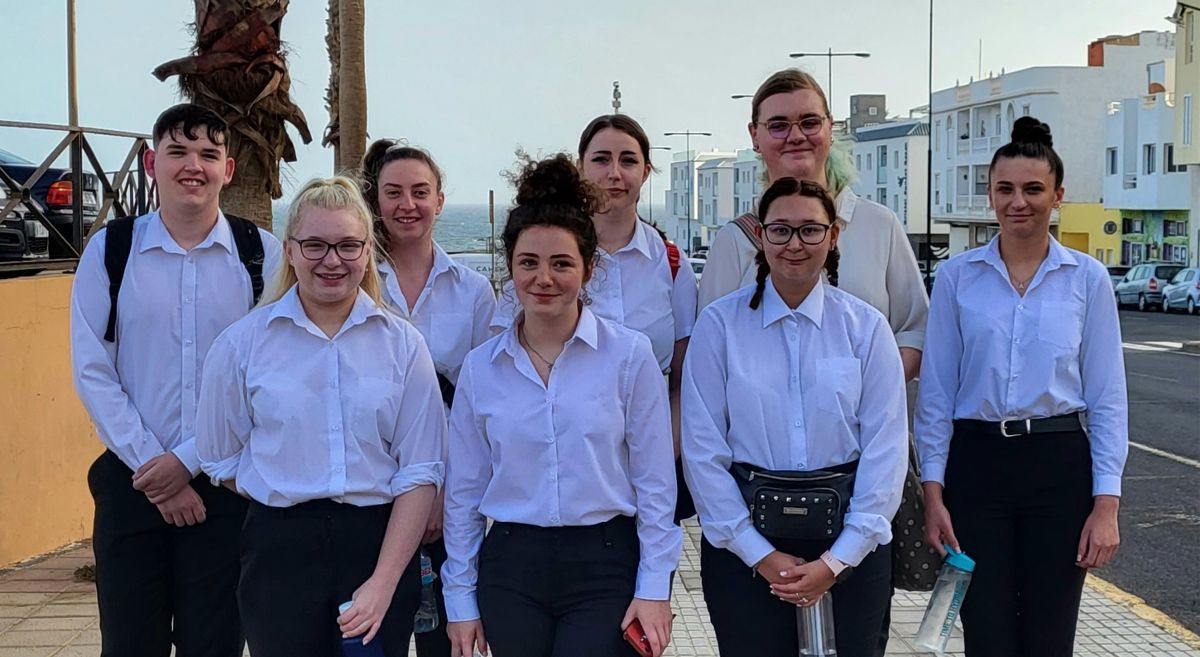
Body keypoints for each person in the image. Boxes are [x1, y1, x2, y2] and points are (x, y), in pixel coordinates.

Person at [196, 176, 446, 657]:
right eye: (315, 245)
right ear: (290, 250)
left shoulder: (403, 345)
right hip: (278, 556)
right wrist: (284, 485)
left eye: (348, 245)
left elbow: (420, 470)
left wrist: (383, 583)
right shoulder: (242, 344)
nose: (332, 260)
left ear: (367, 251)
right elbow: (219, 458)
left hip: (378, 547)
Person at [443, 154, 681, 657]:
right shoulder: (481, 369)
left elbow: (656, 486)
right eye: (528, 262)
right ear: (510, 267)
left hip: (606, 564)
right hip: (512, 569)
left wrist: (655, 587)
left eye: (562, 263)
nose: (544, 278)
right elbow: (463, 494)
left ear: (589, 269)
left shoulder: (629, 356)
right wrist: (460, 600)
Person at [70, 103, 282, 657]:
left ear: (227, 170)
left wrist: (188, 462)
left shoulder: (261, 255)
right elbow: (93, 370)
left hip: (226, 489)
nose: (194, 166)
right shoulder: (110, 250)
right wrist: (155, 470)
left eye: (209, 154)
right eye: (178, 151)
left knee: (214, 645)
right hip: (130, 482)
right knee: (128, 644)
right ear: (151, 163)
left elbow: (268, 375)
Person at [915, 117, 1127, 657]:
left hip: (1058, 467)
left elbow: (1107, 398)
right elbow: (936, 395)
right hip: (976, 468)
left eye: (1033, 189)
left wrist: (1106, 505)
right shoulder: (957, 277)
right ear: (990, 194)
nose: (1018, 202)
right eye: (1005, 189)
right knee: (985, 632)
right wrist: (933, 494)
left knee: (1049, 635)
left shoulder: (1087, 279)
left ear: (1058, 195)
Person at [681, 177, 907, 657]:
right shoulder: (720, 326)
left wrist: (837, 561)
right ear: (761, 236)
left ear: (833, 236)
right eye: (780, 230)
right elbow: (703, 452)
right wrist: (758, 554)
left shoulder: (866, 328)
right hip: (745, 546)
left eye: (810, 230)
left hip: (850, 540)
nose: (795, 244)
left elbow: (886, 451)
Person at [697, 69, 926, 383]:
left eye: (809, 122)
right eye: (778, 125)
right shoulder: (734, 240)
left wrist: (869, 392)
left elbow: (915, 330)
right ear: (755, 136)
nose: (795, 136)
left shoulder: (879, 225)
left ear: (830, 128)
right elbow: (709, 349)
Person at [361, 140, 496, 657]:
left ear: (439, 200)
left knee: (446, 640)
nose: (407, 204)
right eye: (393, 192)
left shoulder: (473, 292)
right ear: (375, 201)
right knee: (377, 638)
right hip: (370, 491)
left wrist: (445, 490)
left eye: (420, 192)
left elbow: (480, 408)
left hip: (450, 495)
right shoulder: (355, 284)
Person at [491, 114, 697, 448]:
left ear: (645, 172)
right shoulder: (544, 261)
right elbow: (502, 370)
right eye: (601, 159)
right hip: (562, 453)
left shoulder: (671, 263)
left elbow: (684, 379)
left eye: (628, 160)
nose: (614, 173)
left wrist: (663, 453)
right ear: (580, 167)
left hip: (651, 450)